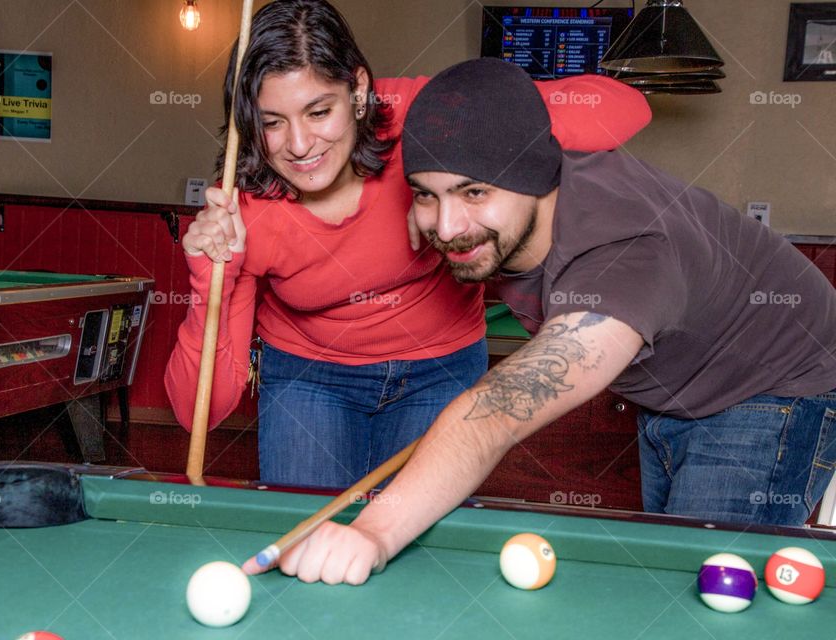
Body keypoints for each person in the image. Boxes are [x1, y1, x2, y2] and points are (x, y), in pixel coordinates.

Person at [249, 58, 836, 585]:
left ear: (535, 178)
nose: (448, 226)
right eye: (426, 195)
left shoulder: (625, 253)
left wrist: (374, 533)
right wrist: (435, 206)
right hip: (674, 388)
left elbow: (495, 413)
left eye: (473, 192)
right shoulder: (486, 215)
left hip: (772, 388)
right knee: (675, 577)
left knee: (710, 586)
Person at [165, 0, 651, 489]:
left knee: (412, 543)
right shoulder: (244, 210)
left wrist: (436, 191)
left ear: (357, 90)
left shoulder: (420, 118)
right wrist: (211, 279)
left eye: (319, 111)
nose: (298, 144)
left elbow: (625, 109)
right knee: (305, 543)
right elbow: (196, 414)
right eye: (272, 122)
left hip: (440, 366)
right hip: (309, 377)